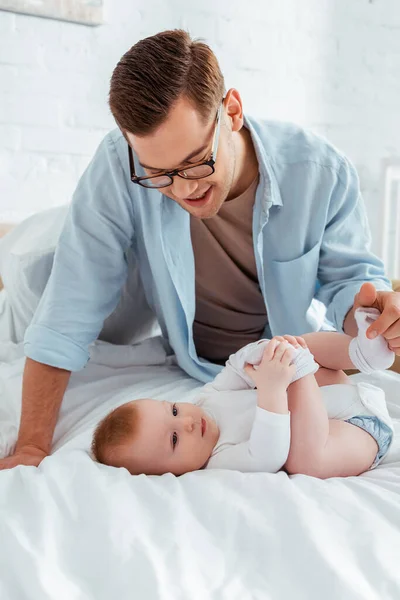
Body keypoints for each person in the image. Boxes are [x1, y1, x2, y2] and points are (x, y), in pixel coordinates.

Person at [1, 29, 400, 472]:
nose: (184, 188)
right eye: (160, 174)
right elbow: (68, 308)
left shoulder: (320, 172)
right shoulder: (121, 163)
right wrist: (32, 447)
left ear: (232, 111)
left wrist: (375, 317)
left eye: (196, 162)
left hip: (295, 359)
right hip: (201, 368)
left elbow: (351, 287)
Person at [91, 308, 395, 479]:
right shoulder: (221, 460)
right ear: (167, 474)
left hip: (329, 390)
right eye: (174, 439)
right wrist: (275, 386)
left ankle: (364, 353)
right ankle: (299, 366)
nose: (186, 422)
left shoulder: (206, 401)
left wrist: (265, 354)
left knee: (282, 346)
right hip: (355, 432)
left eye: (173, 410)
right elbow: (269, 453)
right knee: (306, 463)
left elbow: (236, 368)